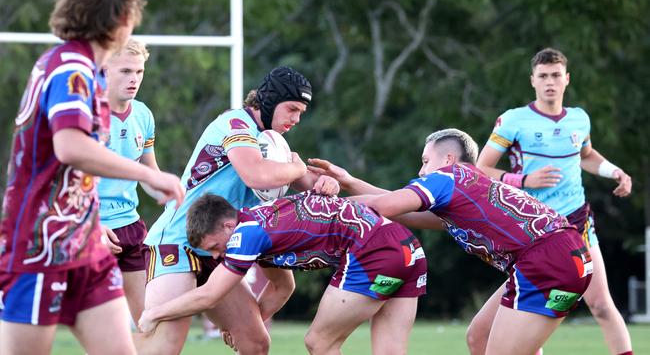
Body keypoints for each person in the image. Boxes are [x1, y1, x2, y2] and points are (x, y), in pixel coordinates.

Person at [0, 0, 185, 355]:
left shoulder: (83, 72)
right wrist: (150, 175)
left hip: (85, 245)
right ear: (120, 20)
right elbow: (70, 148)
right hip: (42, 246)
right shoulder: (72, 70)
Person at [308, 128, 593, 355]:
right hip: (567, 256)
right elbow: (405, 209)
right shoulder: (470, 186)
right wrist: (350, 181)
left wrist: (322, 204)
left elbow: (384, 206)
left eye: (425, 161)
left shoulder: (447, 176)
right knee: (478, 337)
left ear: (447, 160)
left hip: (545, 262)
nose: (421, 172)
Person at [139, 66, 340, 355]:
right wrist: (297, 168)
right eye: (292, 109)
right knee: (164, 347)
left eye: (301, 113)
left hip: (222, 247)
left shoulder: (268, 141)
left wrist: (325, 182)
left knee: (255, 342)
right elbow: (257, 175)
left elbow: (305, 181)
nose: (296, 119)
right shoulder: (235, 124)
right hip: (179, 241)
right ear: (269, 100)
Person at [474, 48, 633, 355]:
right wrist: (523, 181)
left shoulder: (578, 119)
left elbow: (585, 155)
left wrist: (615, 171)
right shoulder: (513, 120)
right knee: (531, 310)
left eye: (556, 75)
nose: (550, 82)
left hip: (576, 223)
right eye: (543, 76)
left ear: (566, 79)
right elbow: (480, 169)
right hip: (533, 230)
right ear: (532, 80)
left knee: (600, 304)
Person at [139, 191, 427, 355]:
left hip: (373, 251)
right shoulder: (261, 227)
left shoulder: (245, 234)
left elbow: (210, 295)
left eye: (215, 247)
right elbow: (282, 288)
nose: (216, 256)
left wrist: (154, 313)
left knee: (319, 342)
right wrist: (250, 324)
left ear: (228, 226)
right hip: (407, 247)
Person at [97, 38, 158, 325]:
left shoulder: (143, 115)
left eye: (139, 72)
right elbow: (63, 180)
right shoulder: (86, 113)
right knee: (102, 328)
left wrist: (177, 197)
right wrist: (91, 226)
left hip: (130, 228)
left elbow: (149, 173)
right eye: (125, 71)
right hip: (92, 230)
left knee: (148, 321)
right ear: (105, 69)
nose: (134, 79)